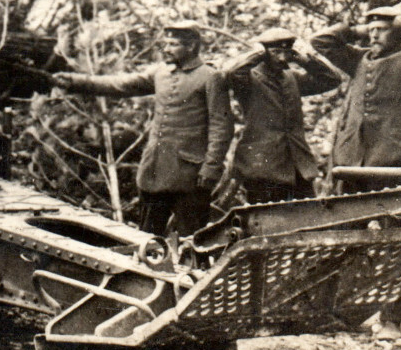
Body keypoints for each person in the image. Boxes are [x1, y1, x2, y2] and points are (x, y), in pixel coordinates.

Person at [312, 5, 401, 339]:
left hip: (395, 160)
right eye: (370, 29)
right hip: (353, 160)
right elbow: (321, 41)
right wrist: (357, 29)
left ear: (399, 32)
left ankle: (391, 320)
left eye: (382, 29)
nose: (374, 34)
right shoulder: (358, 59)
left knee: (394, 239)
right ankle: (337, 314)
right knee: (343, 236)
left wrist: (400, 23)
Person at [50, 20, 232, 237]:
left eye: (173, 44)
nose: (166, 49)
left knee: (192, 242)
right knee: (145, 239)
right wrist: (74, 81)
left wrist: (210, 168)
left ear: (191, 47)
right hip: (154, 171)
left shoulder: (210, 77)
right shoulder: (160, 72)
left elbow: (222, 127)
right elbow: (121, 85)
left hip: (190, 177)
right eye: (166, 43)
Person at [222, 27, 344, 202]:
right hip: (263, 168)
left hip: (297, 166)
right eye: (276, 52)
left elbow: (332, 79)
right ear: (264, 53)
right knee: (267, 221)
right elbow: (230, 73)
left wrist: (304, 60)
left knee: (307, 219)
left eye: (286, 52)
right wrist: (257, 55)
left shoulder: (291, 77)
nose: (282, 57)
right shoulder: (248, 78)